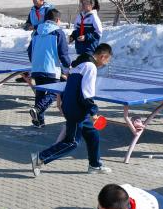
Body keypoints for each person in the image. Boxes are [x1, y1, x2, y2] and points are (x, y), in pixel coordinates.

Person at [31, 43, 113, 176]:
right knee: (72, 142)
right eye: (107, 60)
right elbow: (86, 93)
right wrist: (93, 111)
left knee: (93, 135)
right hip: (77, 110)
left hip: (73, 106)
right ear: (103, 56)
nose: (106, 64)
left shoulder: (79, 65)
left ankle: (95, 165)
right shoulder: (90, 67)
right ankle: (40, 158)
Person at [26, 8, 70, 128]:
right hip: (51, 68)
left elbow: (29, 50)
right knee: (54, 92)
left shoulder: (36, 32)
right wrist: (68, 66)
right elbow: (63, 53)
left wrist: (34, 62)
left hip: (37, 68)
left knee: (40, 92)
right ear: (57, 20)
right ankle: (38, 109)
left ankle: (38, 121)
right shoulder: (58, 32)